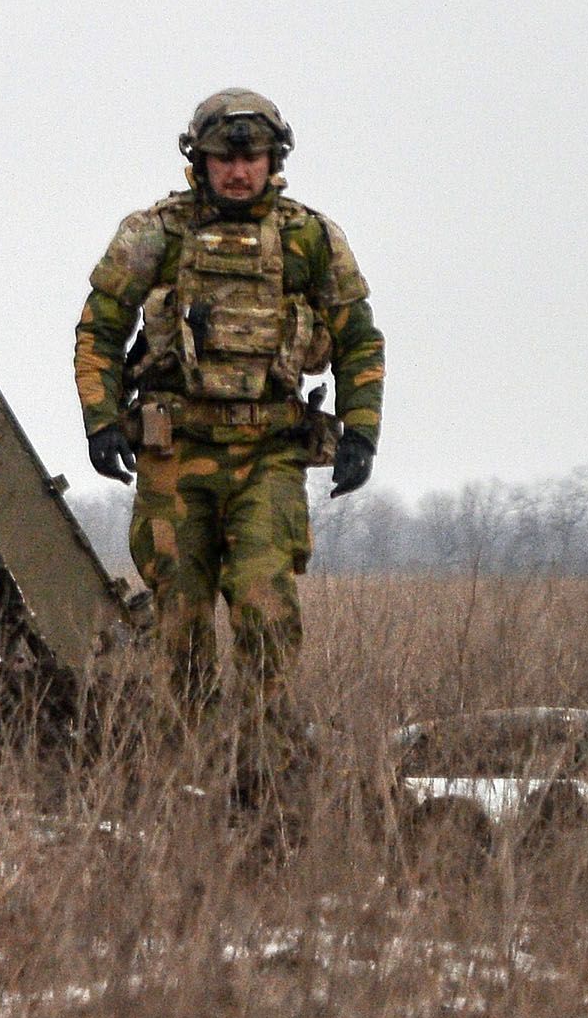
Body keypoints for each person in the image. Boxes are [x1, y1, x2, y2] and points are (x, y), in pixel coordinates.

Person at [72, 90, 384, 758]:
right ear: (200, 160)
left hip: (267, 455)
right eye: (224, 157)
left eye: (251, 156)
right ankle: (184, 762)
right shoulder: (155, 232)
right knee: (177, 620)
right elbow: (99, 327)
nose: (237, 171)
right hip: (173, 455)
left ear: (273, 158)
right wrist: (99, 418)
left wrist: (360, 430)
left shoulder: (308, 237)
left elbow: (357, 337)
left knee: (264, 607)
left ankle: (261, 758)